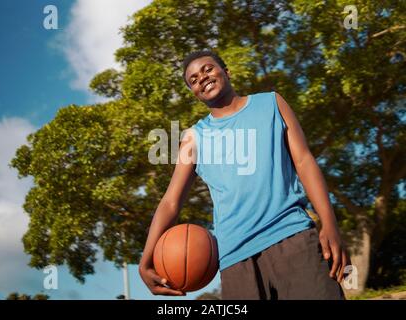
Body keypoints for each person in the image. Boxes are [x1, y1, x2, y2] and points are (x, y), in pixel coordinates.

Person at [139, 50, 351, 299]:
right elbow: (170, 202)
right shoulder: (194, 139)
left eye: (207, 69)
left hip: (293, 238)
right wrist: (146, 259)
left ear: (226, 72)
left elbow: (304, 161)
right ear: (194, 93)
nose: (202, 78)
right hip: (235, 259)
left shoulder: (272, 103)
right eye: (193, 80)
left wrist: (329, 222)